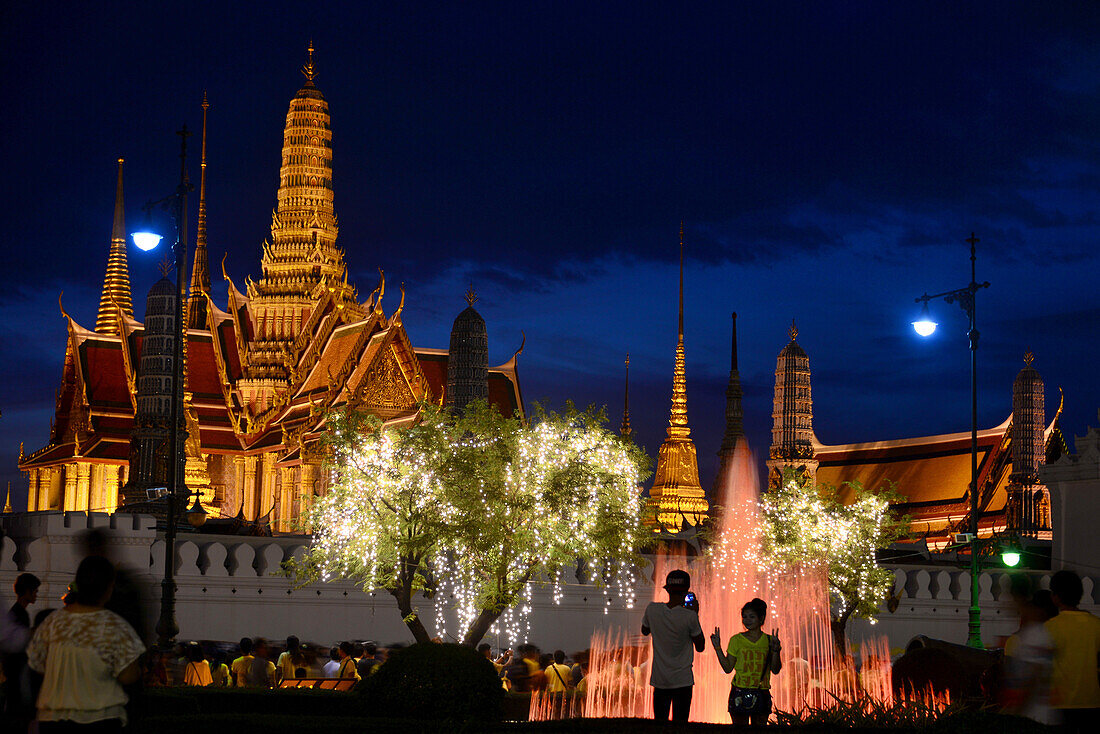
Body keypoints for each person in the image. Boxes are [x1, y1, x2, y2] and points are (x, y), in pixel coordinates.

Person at [26, 555, 145, 730]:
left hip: (53, 719)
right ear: (108, 588)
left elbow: (36, 666)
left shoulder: (51, 623)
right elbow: (129, 675)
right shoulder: (115, 626)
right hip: (100, 719)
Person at [641, 569, 705, 722]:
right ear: (686, 591)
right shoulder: (689, 616)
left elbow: (644, 631)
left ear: (667, 589)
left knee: (660, 723)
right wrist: (695, 614)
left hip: (660, 680)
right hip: (683, 680)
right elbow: (701, 646)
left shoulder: (652, 609)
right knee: (680, 724)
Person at [711, 597, 782, 725]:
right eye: (744, 617)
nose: (747, 620)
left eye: (751, 617)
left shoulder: (769, 641)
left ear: (761, 619)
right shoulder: (736, 640)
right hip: (739, 691)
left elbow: (776, 670)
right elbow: (728, 668)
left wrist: (776, 651)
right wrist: (717, 648)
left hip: (761, 691)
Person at [1044, 569, 1100, 733]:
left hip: (1060, 703)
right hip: (1092, 702)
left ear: (1055, 597)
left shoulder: (1050, 627)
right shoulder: (1096, 624)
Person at [1001, 589, 1057, 724]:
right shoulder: (1040, 634)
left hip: (1034, 716)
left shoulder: (1036, 636)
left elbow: (1033, 676)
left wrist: (1016, 711)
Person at [1, 572, 40, 724]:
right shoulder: (19, 614)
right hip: (16, 672)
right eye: (35, 591)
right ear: (27, 592)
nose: (36, 595)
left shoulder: (17, 613)